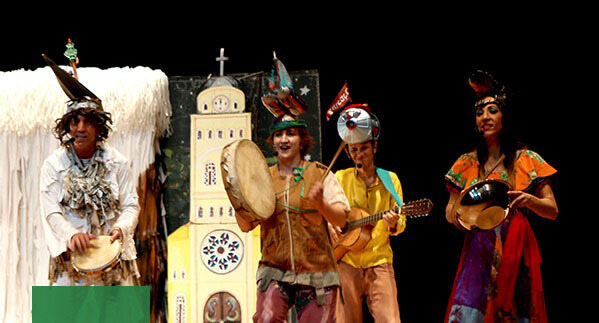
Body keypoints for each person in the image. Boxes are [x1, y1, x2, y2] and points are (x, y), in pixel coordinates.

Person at [444, 70, 558, 322]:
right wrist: (461, 210)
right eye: (479, 113)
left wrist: (530, 200)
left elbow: (552, 209)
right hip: (478, 247)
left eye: (492, 111)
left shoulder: (526, 159)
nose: (485, 117)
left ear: (505, 115)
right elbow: (449, 212)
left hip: (516, 245)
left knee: (515, 312)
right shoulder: (466, 163)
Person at [234, 113, 350, 323]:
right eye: (279, 135)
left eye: (291, 134)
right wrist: (236, 196)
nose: (284, 139)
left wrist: (321, 205)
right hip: (275, 270)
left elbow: (343, 220)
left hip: (318, 273)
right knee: (266, 318)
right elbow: (245, 225)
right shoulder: (264, 179)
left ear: (302, 140)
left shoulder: (319, 174)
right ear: (273, 141)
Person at [39, 55, 140, 286]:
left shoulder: (117, 162)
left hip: (115, 258)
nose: (80, 128)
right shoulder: (54, 165)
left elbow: (131, 205)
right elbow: (50, 210)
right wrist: (71, 234)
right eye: (75, 122)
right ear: (68, 126)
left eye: (87, 122)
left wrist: (121, 229)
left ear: (99, 127)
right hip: (70, 260)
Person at [329, 106, 406, 323]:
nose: (359, 154)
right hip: (346, 261)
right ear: (347, 153)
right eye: (354, 150)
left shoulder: (391, 180)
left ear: (374, 147)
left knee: (390, 320)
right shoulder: (340, 178)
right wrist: (331, 225)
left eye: (364, 148)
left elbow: (401, 222)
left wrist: (393, 223)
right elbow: (327, 213)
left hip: (379, 261)